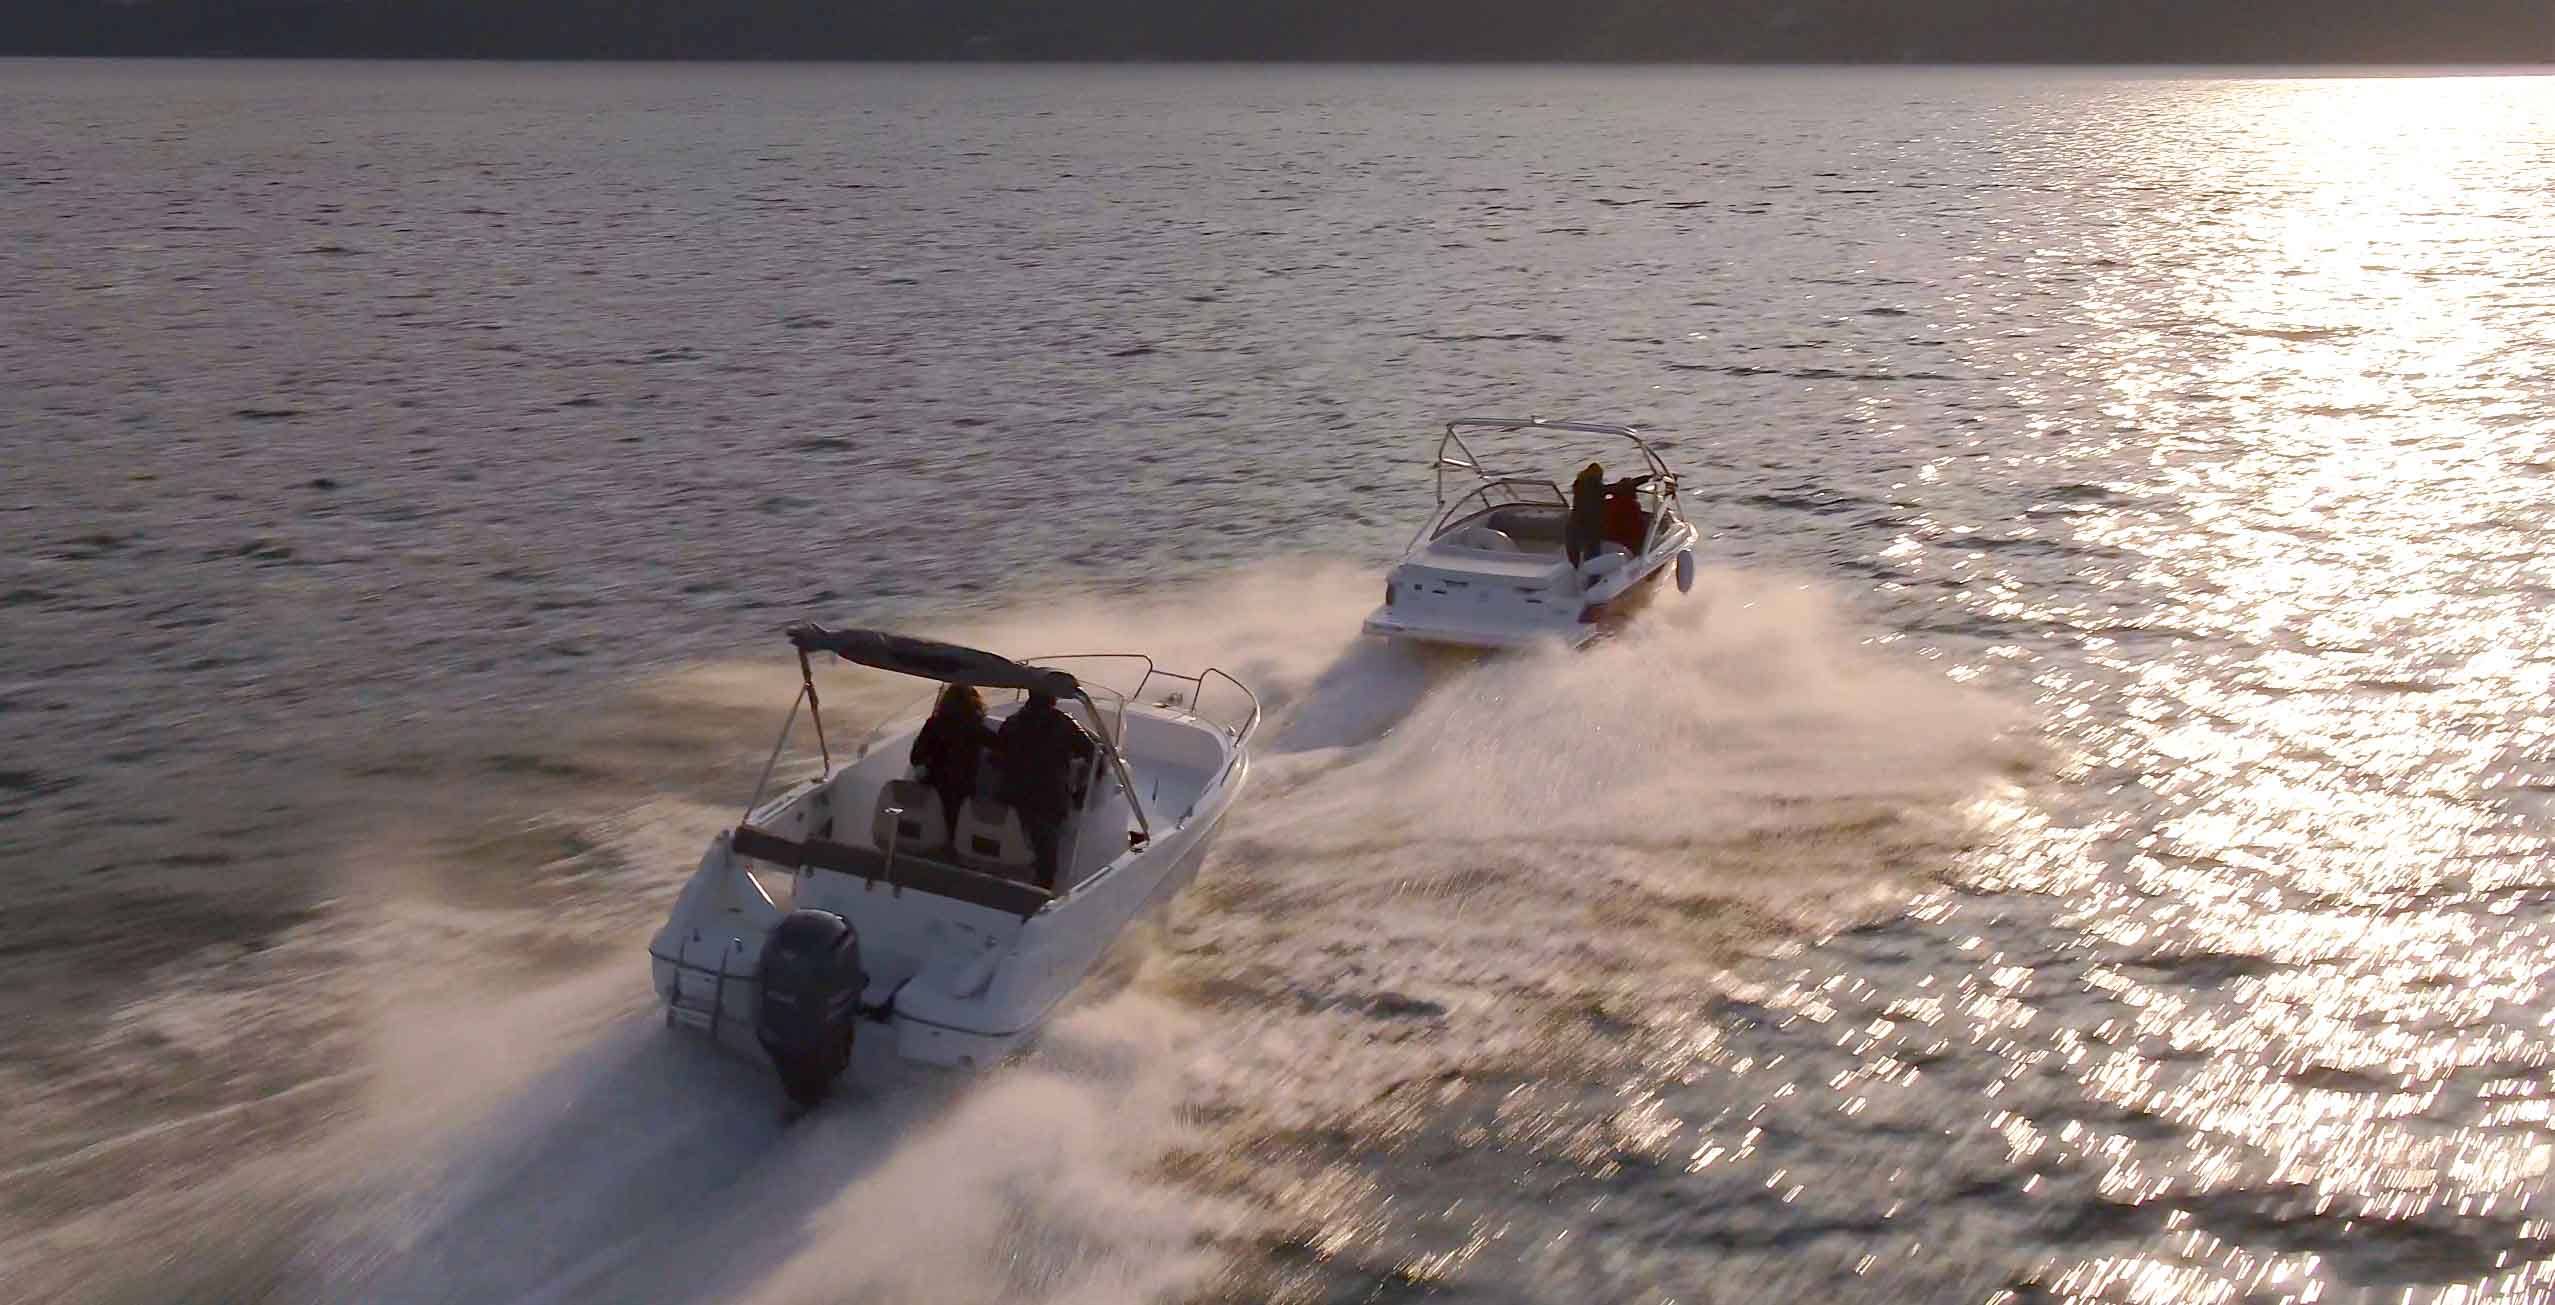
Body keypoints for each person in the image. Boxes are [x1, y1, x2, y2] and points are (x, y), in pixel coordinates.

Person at [993, 686, 1097, 889]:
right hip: (1049, 796)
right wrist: (1081, 787)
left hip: (1012, 793)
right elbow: (1093, 752)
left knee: (1021, 829)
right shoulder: (1064, 723)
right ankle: (1043, 887)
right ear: (1052, 698)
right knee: (1046, 843)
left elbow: (997, 756)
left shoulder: (1012, 722)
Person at [909, 684, 994, 842]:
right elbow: (1001, 746)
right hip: (960, 788)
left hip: (931, 784)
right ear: (973, 703)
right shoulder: (974, 727)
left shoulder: (933, 724)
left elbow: (915, 757)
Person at [1565, 462, 1606, 568]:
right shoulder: (1594, 486)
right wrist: (1642, 479)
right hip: (1589, 527)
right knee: (1593, 555)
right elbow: (1614, 489)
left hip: (1574, 524)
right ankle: (1593, 580)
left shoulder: (1579, 486)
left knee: (1575, 555)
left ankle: (1576, 572)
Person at [1602, 474, 1648, 550]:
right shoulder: (1633, 506)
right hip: (1628, 545)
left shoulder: (1606, 504)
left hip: (1609, 543)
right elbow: (1639, 528)